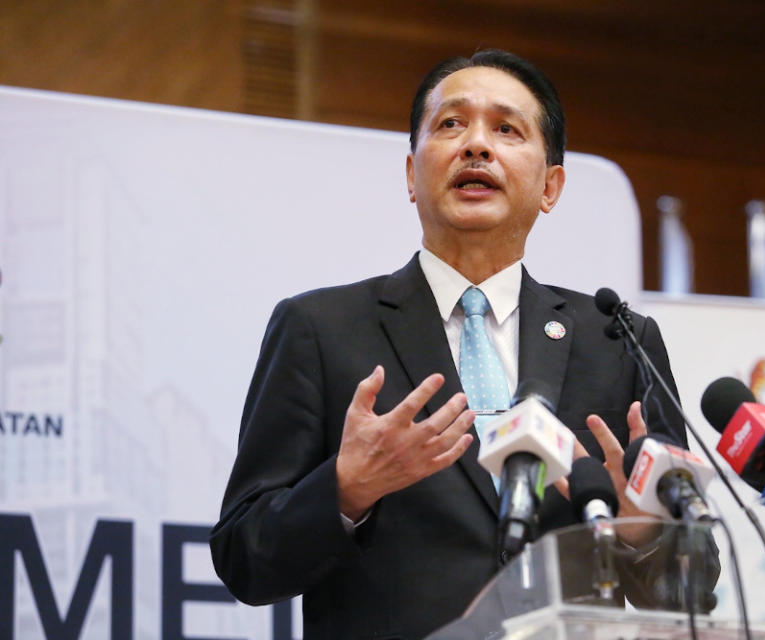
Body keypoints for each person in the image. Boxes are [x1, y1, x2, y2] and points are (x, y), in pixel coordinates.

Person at [210, 49, 693, 639]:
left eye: (507, 129)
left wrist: (647, 534)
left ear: (550, 186)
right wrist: (347, 489)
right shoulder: (319, 328)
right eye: (451, 124)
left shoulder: (619, 338)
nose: (477, 146)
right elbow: (244, 558)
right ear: (412, 174)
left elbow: (693, 587)